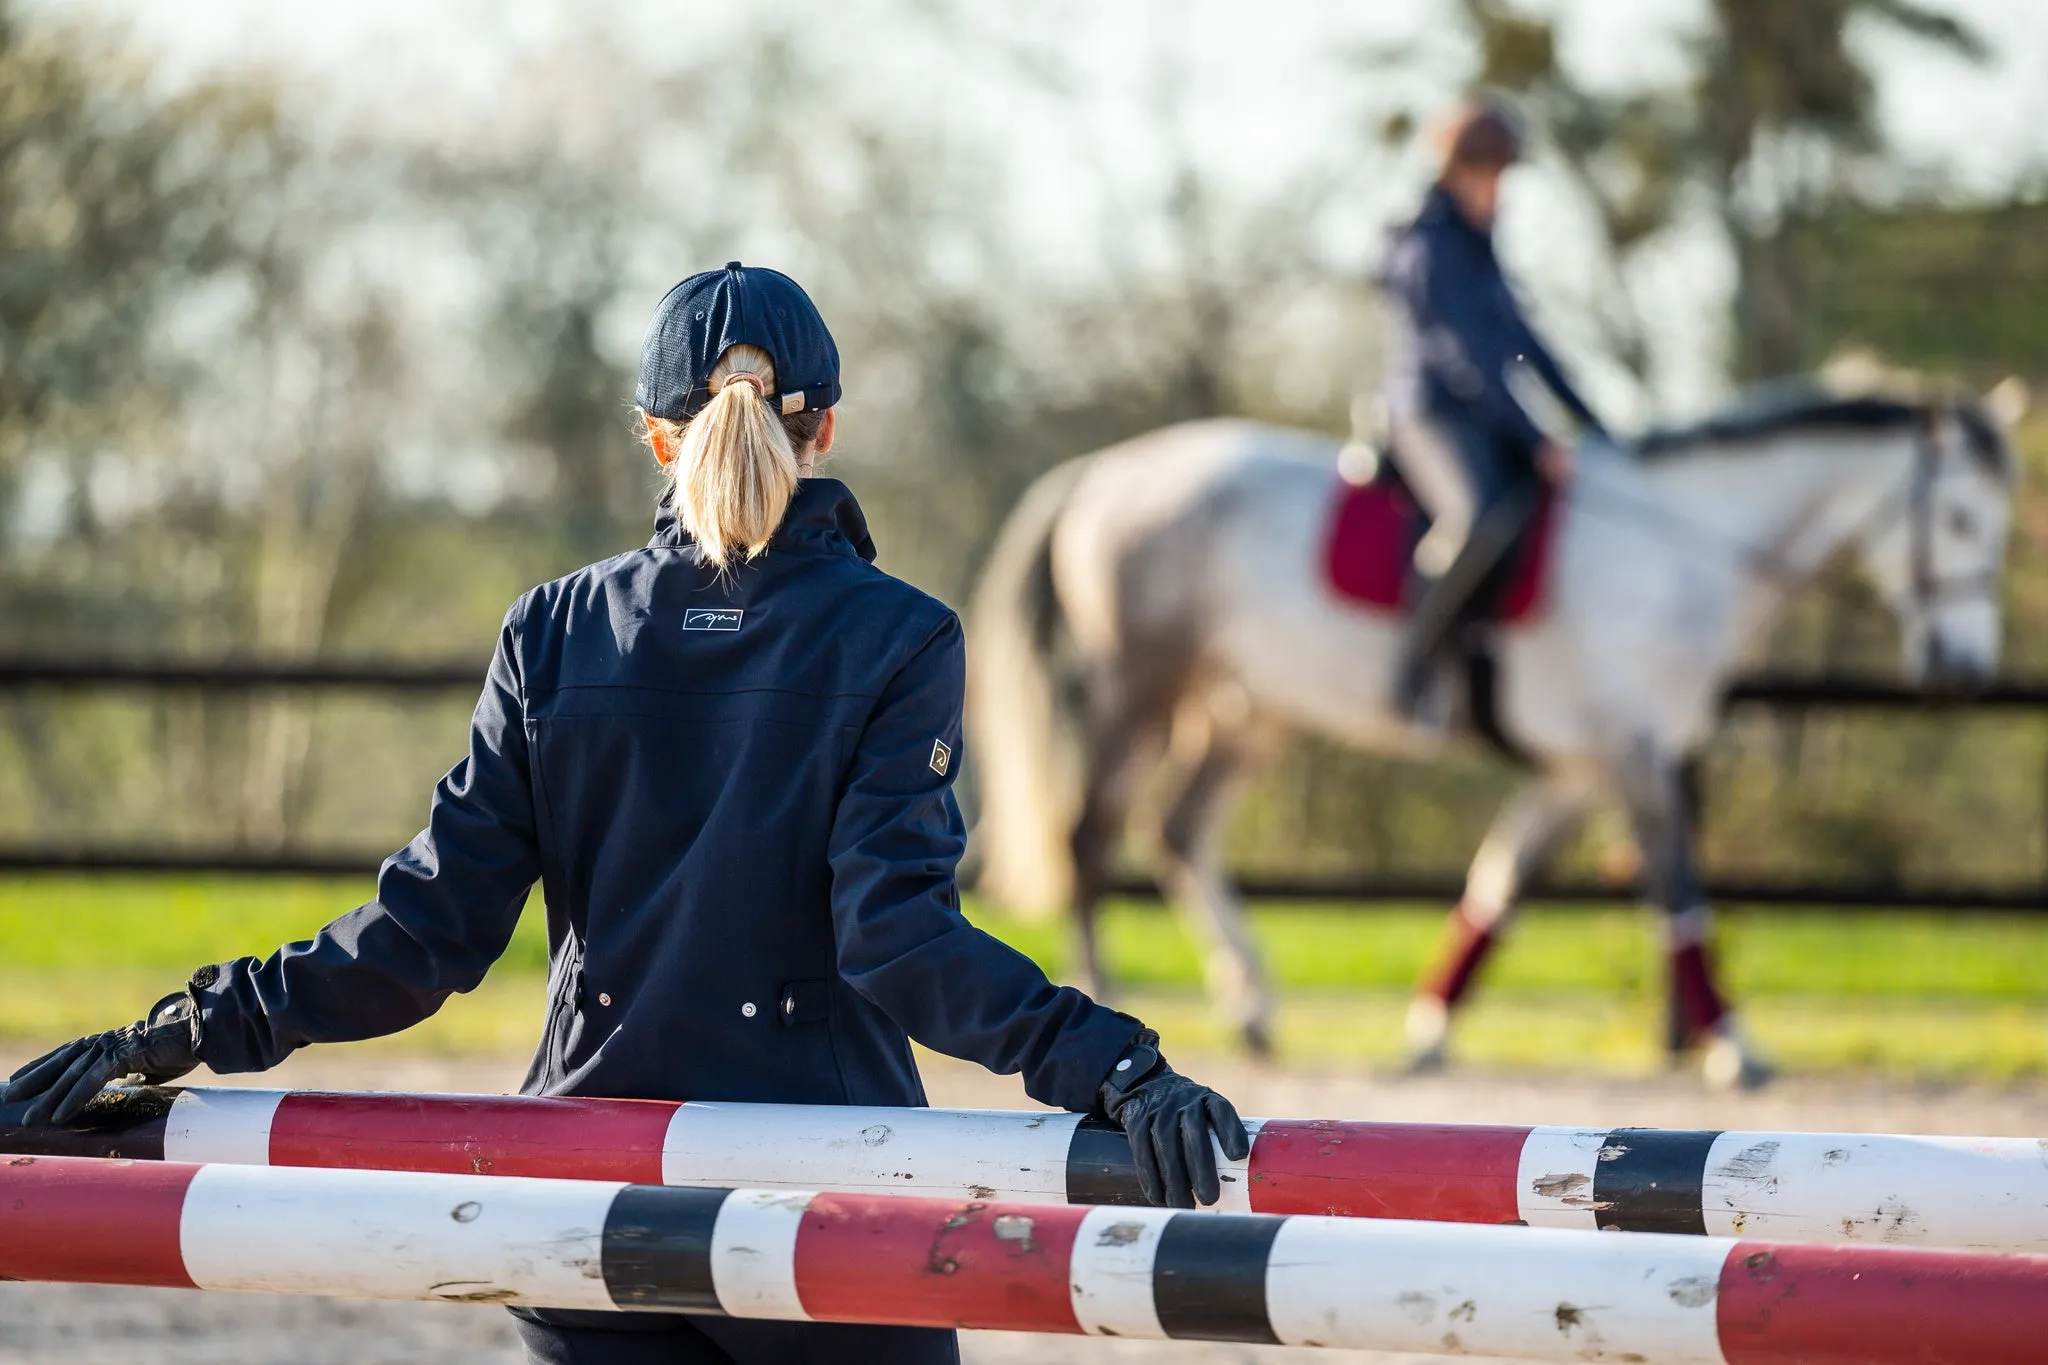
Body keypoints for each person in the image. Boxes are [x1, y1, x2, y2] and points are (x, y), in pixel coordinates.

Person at [6, 262, 1249, 1365]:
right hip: (821, 1201)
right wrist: (1117, 1064)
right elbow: (895, 941)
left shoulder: (549, 630)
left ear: (654, 439)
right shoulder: (899, 634)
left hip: (580, 1205)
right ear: (827, 430)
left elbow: (421, 937)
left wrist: (172, 1034)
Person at [1377, 96, 1603, 717]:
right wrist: (1535, 437)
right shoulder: (1427, 248)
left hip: (1485, 414)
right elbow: (1463, 357)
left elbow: (1525, 349)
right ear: (1461, 171)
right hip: (1428, 414)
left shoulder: (1482, 251)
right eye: (1495, 174)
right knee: (1477, 516)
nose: (1503, 190)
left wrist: (1593, 422)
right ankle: (1413, 667)